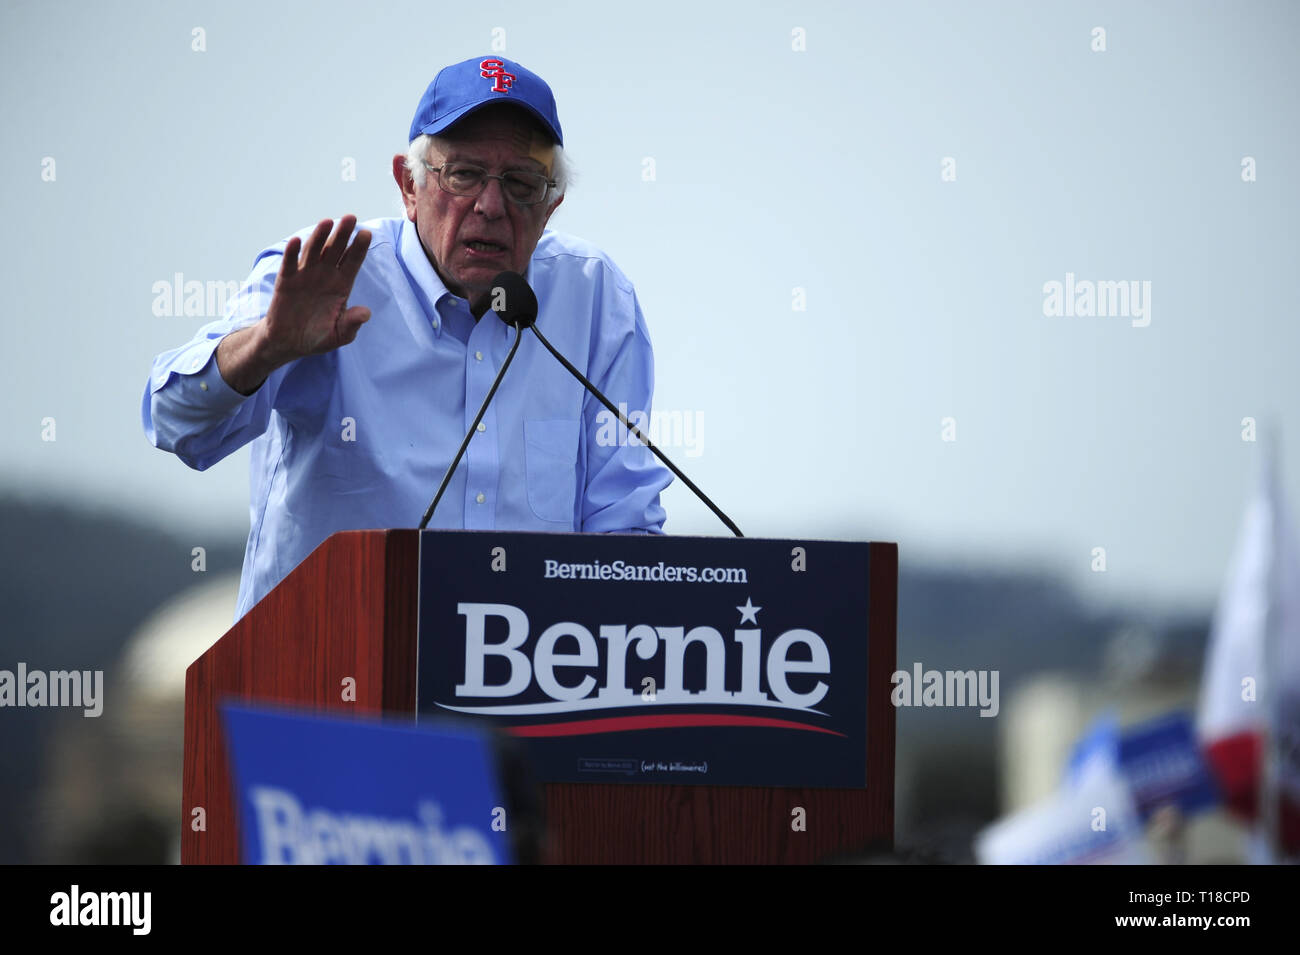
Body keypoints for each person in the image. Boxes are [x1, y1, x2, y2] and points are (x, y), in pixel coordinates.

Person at [143, 56, 671, 619]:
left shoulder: (595, 298)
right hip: (321, 671)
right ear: (408, 185)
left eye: (520, 184)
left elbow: (625, 528)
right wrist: (268, 346)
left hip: (523, 682)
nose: (490, 207)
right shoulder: (325, 274)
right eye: (463, 174)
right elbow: (174, 422)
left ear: (550, 207)